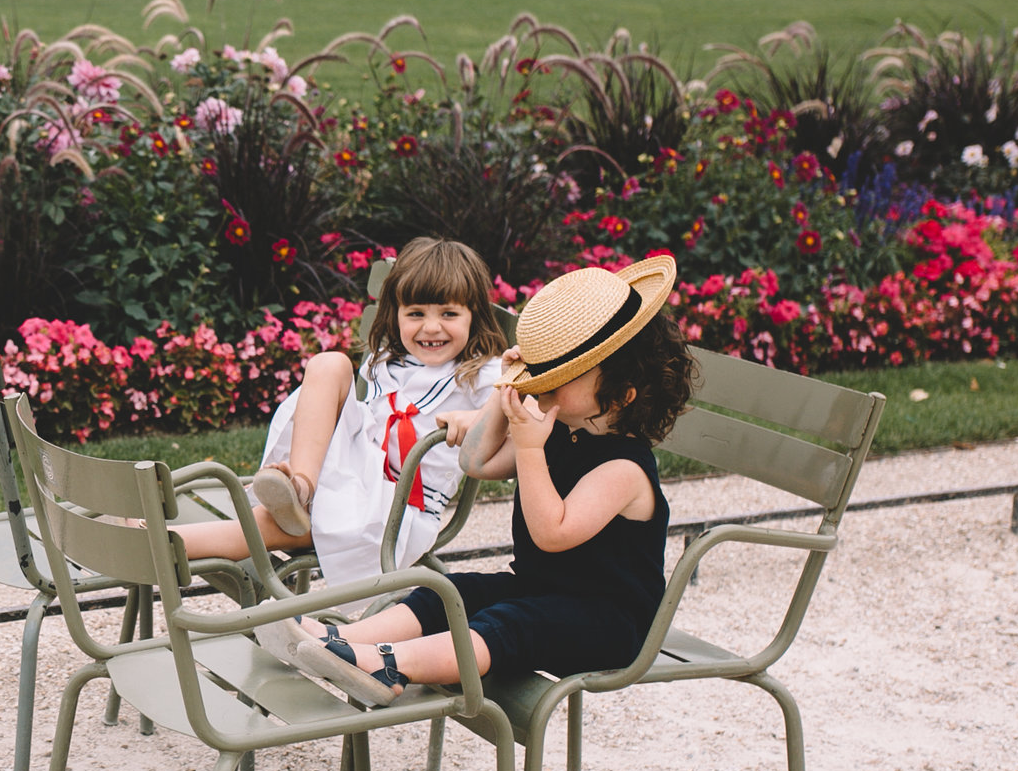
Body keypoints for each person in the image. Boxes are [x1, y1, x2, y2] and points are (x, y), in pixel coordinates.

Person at [268, 255, 695, 705]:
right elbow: (475, 461)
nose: (542, 380)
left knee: (505, 625)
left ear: (621, 394)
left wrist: (529, 449)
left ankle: (387, 664)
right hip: (542, 591)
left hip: (608, 622)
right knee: (451, 595)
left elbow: (553, 533)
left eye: (561, 374)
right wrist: (503, 390)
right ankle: (342, 639)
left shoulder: (624, 469)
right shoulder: (559, 429)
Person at [171, 237, 506, 581]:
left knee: (266, 525)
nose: (431, 327)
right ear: (397, 315)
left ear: (474, 316)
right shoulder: (392, 361)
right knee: (329, 364)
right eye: (416, 314)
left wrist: (479, 419)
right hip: (351, 476)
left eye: (448, 314)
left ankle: (155, 540)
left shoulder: (482, 373)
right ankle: (300, 488)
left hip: (394, 514)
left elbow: (524, 399)